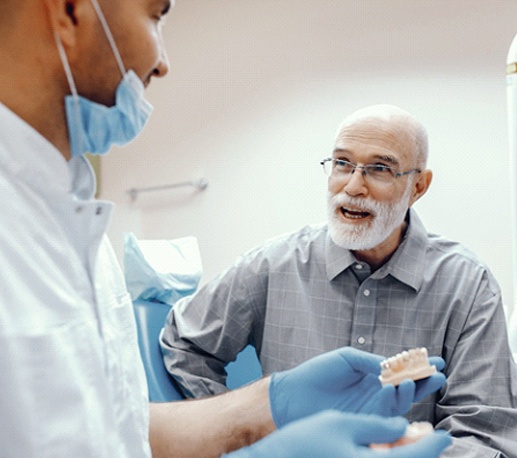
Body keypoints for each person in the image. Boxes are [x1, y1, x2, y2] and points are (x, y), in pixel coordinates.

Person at [0, 1, 453, 457]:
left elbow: (117, 433)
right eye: (155, 14)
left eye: (379, 168)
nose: (162, 61)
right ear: (70, 9)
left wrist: (265, 406)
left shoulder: (72, 215)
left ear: (419, 186)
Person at [161, 104, 517, 457]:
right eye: (342, 164)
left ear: (418, 186)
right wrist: (239, 436)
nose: (353, 186)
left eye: (379, 169)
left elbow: (483, 434)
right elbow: (184, 344)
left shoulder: (468, 285)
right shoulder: (275, 264)